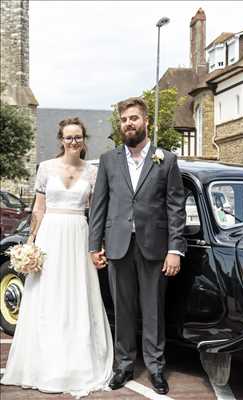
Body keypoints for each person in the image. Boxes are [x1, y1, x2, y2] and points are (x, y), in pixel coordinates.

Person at [1, 117, 113, 398]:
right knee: (47, 296)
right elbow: (38, 209)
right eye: (68, 137)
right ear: (61, 140)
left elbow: (95, 213)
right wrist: (30, 242)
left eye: (77, 137)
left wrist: (98, 243)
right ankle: (43, 363)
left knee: (76, 295)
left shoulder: (92, 172)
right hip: (50, 236)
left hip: (78, 236)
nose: (73, 141)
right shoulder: (46, 169)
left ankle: (77, 363)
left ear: (84, 139)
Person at [89, 97, 186, 395]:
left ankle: (156, 367)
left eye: (134, 118)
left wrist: (175, 249)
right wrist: (94, 246)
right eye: (124, 120)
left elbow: (175, 207)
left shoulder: (166, 160)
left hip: (154, 247)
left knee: (153, 309)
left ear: (147, 122)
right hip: (117, 246)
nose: (128, 124)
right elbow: (99, 206)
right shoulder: (108, 160)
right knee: (123, 309)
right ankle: (124, 365)